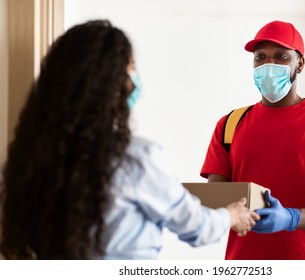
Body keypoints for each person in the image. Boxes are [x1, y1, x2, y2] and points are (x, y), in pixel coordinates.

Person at [0, 20, 259, 260]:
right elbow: (197, 227)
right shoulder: (136, 158)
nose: (135, 79)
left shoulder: (28, 161)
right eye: (131, 67)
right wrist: (232, 215)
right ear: (111, 82)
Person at [200, 20, 305, 260]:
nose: (268, 65)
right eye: (260, 57)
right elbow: (216, 200)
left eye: (281, 56)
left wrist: (291, 218)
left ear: (299, 64)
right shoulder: (229, 125)